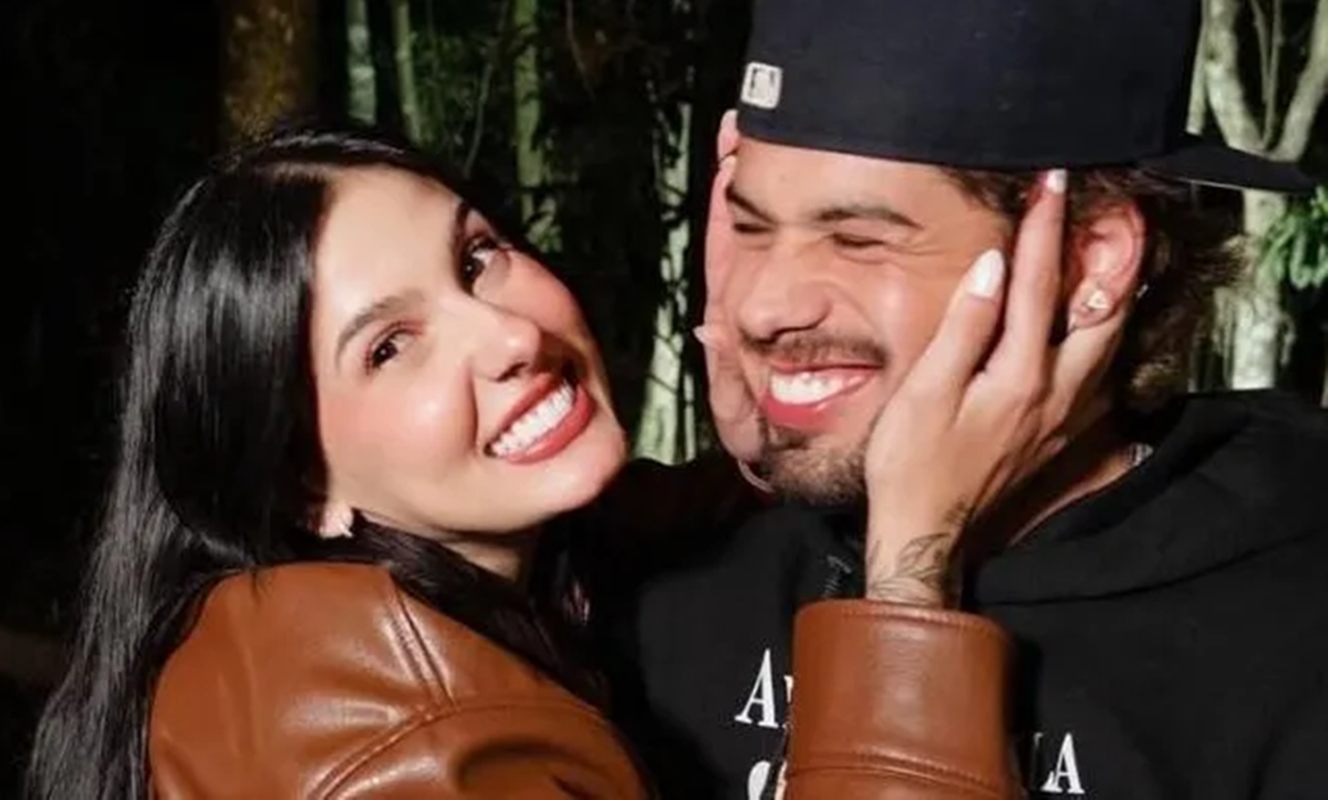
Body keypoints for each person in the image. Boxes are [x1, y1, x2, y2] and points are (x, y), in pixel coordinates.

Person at [27, 127, 1078, 799]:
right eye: (389, 347)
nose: (509, 336)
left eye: (476, 257)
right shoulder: (411, 754)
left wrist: (775, 440)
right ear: (305, 484)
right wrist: (909, 568)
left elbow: (638, 519)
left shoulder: (294, 626)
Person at [582, 1, 1328, 798]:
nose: (762, 309)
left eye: (858, 241)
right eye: (752, 228)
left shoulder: (1287, 647)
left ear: (1090, 262)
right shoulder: (678, 584)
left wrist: (910, 569)